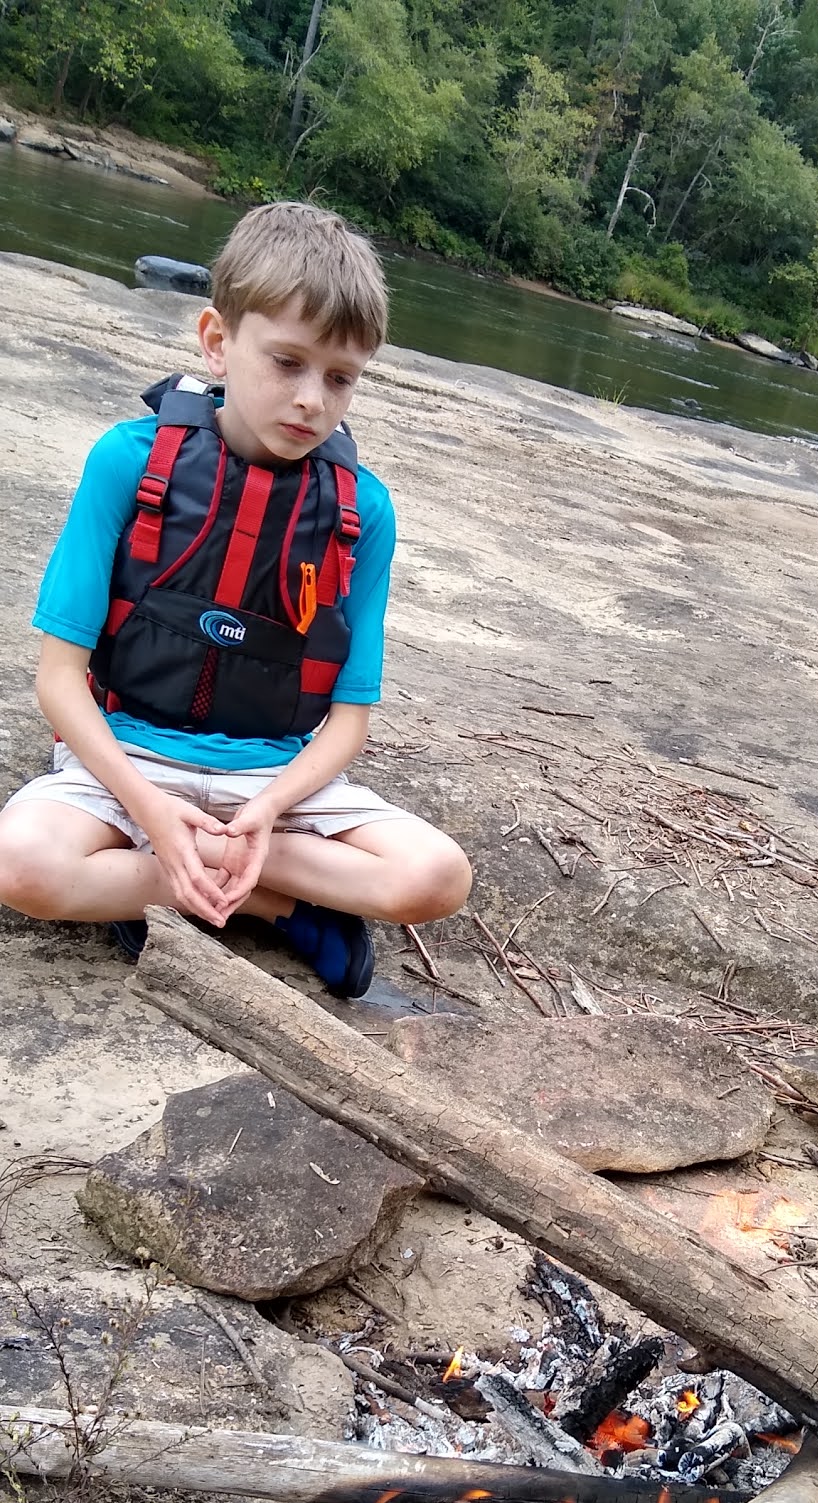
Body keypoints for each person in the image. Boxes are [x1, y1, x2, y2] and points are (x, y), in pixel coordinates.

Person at [0, 201, 471, 998]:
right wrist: (151, 810)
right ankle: (275, 905)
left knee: (435, 877)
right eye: (288, 362)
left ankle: (155, 885)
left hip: (273, 787)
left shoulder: (364, 513)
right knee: (20, 865)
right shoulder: (127, 462)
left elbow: (348, 721)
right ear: (217, 341)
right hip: (127, 762)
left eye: (340, 377)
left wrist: (270, 807)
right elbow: (58, 679)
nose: (312, 400)